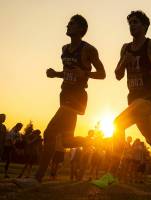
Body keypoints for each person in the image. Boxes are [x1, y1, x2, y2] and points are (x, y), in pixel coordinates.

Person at [15, 14, 106, 187]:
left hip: (77, 96)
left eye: (71, 24)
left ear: (81, 29)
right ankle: (92, 141)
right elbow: (68, 72)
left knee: (49, 133)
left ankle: (37, 178)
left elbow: (102, 74)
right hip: (64, 94)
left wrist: (85, 73)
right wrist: (55, 74)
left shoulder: (89, 50)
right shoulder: (64, 48)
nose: (67, 25)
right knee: (66, 141)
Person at [97, 10, 151, 187]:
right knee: (150, 137)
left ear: (144, 26)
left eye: (135, 22)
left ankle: (112, 173)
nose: (132, 25)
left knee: (117, 123)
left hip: (148, 97)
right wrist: (124, 61)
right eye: (130, 23)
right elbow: (117, 75)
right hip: (133, 98)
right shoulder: (125, 48)